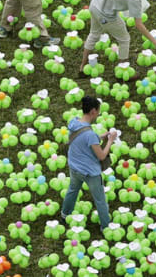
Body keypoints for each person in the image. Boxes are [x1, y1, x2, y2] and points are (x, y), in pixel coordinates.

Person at [80, 0, 156, 75]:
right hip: (106, 15)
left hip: (95, 4)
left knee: (94, 34)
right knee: (125, 39)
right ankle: (123, 72)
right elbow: (139, 24)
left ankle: (82, 67)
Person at [60, 96, 117, 232]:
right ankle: (105, 227)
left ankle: (64, 214)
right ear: (92, 111)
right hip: (90, 173)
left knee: (72, 190)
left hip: (74, 167)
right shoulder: (90, 135)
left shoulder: (74, 123)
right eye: (98, 111)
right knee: (100, 200)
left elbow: (83, 139)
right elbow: (101, 155)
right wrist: (110, 141)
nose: (98, 114)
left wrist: (101, 137)